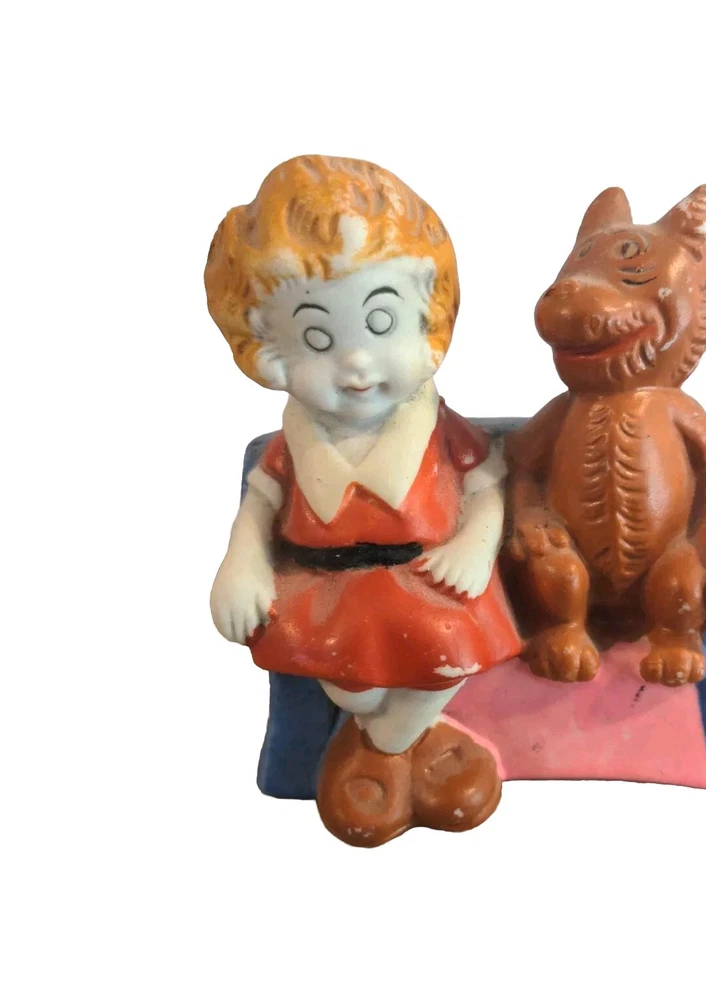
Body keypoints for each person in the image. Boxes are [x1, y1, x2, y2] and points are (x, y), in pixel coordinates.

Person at [205, 156, 521, 846]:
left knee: (444, 660)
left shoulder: (436, 426)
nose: (355, 364)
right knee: (354, 688)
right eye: (318, 338)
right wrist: (242, 562)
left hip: (427, 583)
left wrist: (475, 544)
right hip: (328, 591)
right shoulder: (296, 440)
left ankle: (378, 756)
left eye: (381, 323)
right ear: (266, 346)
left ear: (428, 315)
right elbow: (261, 500)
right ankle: (408, 752)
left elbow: (487, 482)